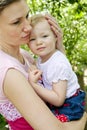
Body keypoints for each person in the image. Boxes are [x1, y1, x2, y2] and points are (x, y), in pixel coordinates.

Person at [0, 0, 87, 130]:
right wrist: (84, 116)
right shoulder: (9, 72)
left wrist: (58, 50)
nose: (28, 27)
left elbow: (55, 80)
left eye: (27, 16)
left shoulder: (25, 55)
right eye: (16, 22)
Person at [28, 14, 86, 122]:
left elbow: (59, 99)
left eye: (44, 36)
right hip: (58, 102)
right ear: (28, 44)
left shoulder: (58, 63)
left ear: (56, 37)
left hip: (70, 105)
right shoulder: (41, 59)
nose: (39, 42)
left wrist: (34, 85)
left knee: (47, 124)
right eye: (32, 39)